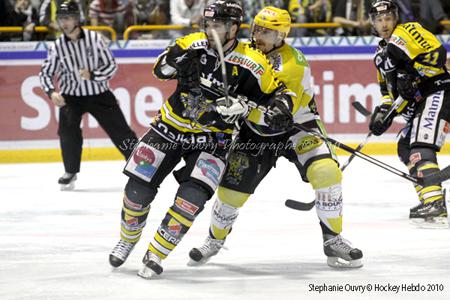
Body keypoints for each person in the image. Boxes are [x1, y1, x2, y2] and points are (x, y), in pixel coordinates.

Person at [108, 0, 295, 278]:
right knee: (137, 191)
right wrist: (174, 60)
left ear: (233, 27)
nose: (210, 30)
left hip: (213, 138)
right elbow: (159, 71)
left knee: (192, 198)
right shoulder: (191, 43)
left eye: (217, 25)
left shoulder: (252, 61)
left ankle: (156, 253)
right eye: (207, 24)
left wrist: (276, 108)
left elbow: (281, 94)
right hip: (169, 127)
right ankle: (127, 239)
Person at [188, 6, 363, 269]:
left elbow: (278, 113)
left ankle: (333, 239)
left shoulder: (293, 63)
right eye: (257, 28)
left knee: (326, 172)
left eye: (267, 31)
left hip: (297, 126)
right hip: (255, 133)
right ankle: (215, 239)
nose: (258, 34)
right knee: (230, 192)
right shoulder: (243, 54)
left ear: (281, 34)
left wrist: (246, 107)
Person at [39, 0, 138, 191]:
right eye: (61, 19)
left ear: (77, 18)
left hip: (99, 93)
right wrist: (51, 92)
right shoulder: (57, 46)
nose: (64, 23)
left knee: (120, 130)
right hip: (71, 96)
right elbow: (45, 73)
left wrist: (93, 75)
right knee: (67, 133)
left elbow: (111, 66)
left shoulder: (95, 39)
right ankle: (70, 171)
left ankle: (138, 165)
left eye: (67, 18)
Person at [367, 0, 449, 226]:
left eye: (388, 18)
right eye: (379, 20)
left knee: (421, 146)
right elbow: (387, 90)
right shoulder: (380, 53)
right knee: (405, 147)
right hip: (420, 101)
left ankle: (436, 204)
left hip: (437, 90)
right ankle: (429, 197)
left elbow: (438, 56)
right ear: (372, 23)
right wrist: (385, 113)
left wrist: (413, 73)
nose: (384, 24)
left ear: (396, 18)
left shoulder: (408, 31)